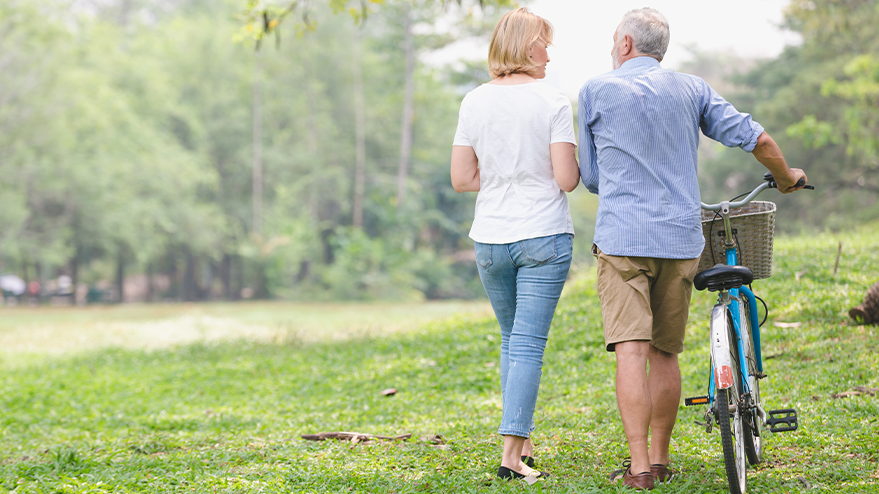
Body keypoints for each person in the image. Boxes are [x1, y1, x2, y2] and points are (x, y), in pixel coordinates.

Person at [578, 8, 807, 490]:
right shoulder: (692, 89)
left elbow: (593, 178)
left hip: (622, 240)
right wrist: (786, 179)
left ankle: (639, 469)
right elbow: (756, 137)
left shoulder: (595, 91)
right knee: (665, 352)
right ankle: (661, 458)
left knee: (630, 352)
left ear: (624, 44)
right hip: (680, 238)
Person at [450, 6, 579, 482]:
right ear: (528, 47)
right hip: (542, 234)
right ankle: (510, 457)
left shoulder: (473, 101)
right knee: (526, 344)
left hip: (490, 240)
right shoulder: (552, 101)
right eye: (545, 42)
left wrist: (503, 175)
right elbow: (566, 180)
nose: (549, 52)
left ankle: (521, 444)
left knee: (511, 341)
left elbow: (462, 178)